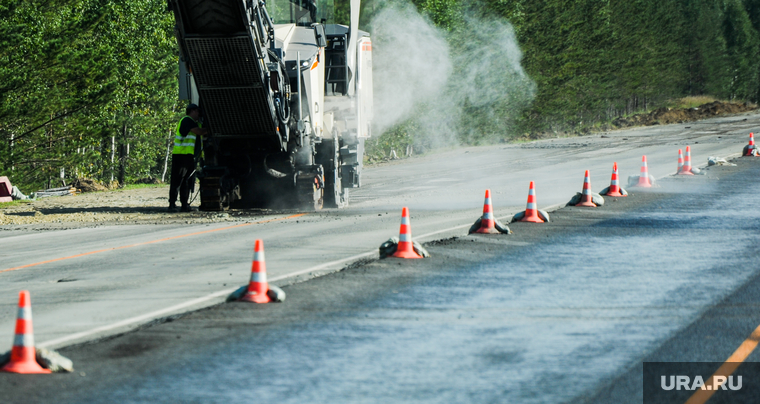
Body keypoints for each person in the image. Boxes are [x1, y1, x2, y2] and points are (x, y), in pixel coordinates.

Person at [169, 104, 208, 212]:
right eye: (198, 112)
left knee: (186, 181)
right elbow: (199, 132)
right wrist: (210, 129)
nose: (199, 114)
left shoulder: (194, 122)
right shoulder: (187, 120)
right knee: (178, 180)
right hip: (181, 155)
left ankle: (184, 205)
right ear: (192, 111)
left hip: (188, 156)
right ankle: (172, 204)